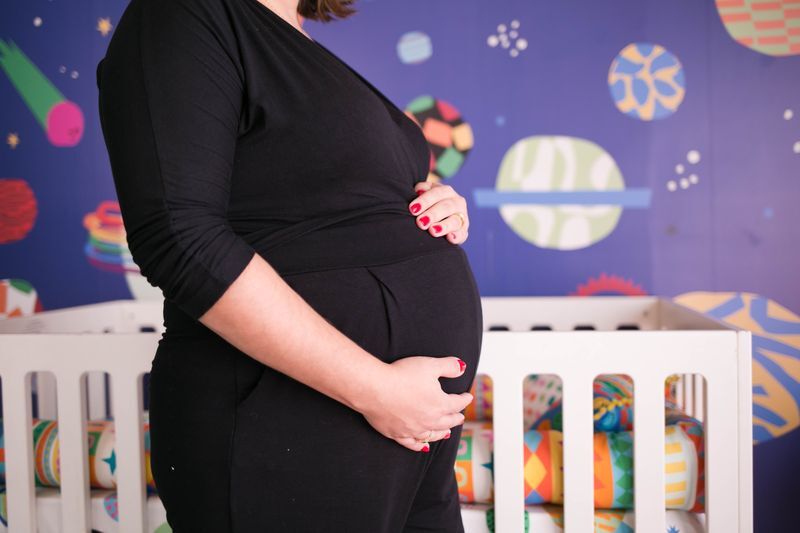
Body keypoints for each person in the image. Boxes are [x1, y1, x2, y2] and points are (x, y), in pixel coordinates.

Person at [96, 0, 483, 530]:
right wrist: (375, 388)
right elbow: (178, 235)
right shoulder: (184, 13)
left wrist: (424, 204)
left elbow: (304, 190)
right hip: (290, 413)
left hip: (400, 429)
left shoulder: (293, 39)